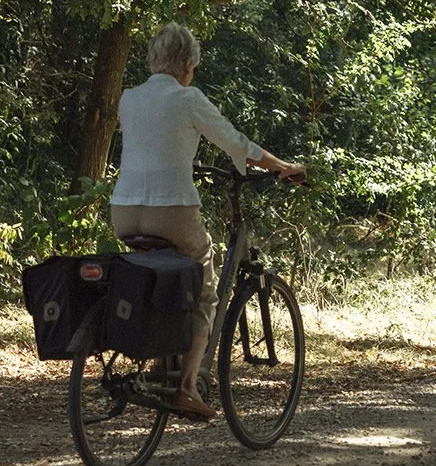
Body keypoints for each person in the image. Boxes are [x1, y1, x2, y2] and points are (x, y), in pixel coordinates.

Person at [109, 23, 303, 419]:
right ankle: (185, 386)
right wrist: (282, 166)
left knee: (161, 278)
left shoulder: (129, 98)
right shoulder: (188, 98)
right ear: (187, 66)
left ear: (152, 61)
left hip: (124, 212)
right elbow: (238, 144)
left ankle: (161, 358)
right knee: (205, 291)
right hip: (172, 210)